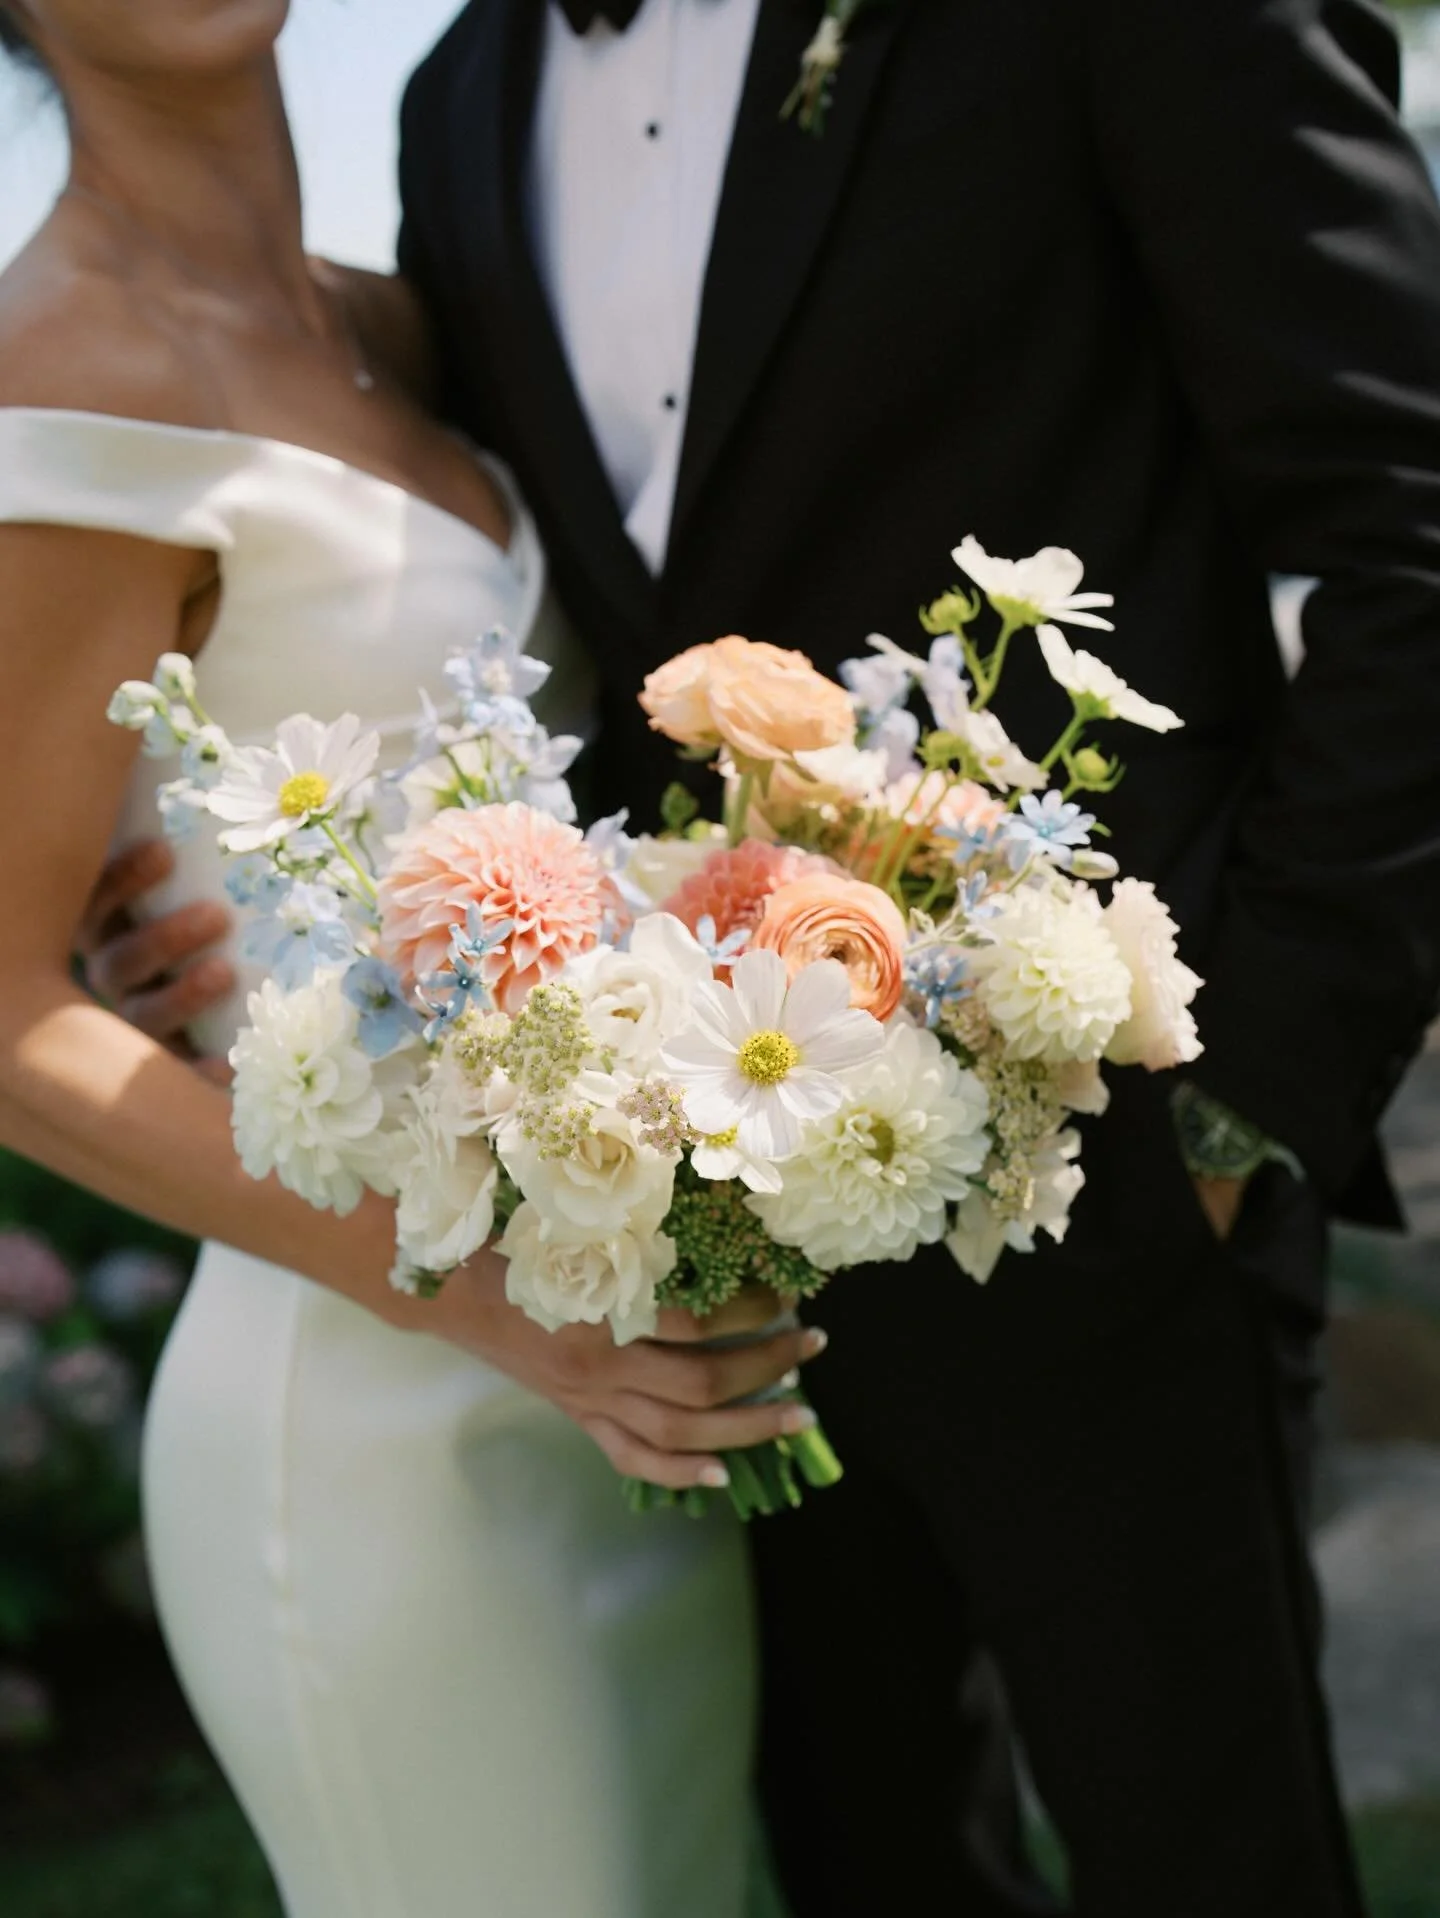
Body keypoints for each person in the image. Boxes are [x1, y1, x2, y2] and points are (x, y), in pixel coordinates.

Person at [91, 1, 1440, 1912]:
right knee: (859, 1862)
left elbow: (1409, 530)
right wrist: (150, 870)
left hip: (1112, 1189)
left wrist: (1245, 1106)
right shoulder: (458, 96)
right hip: (695, 1252)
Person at [0, 4, 825, 1913]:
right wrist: (494, 1312)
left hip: (609, 1363)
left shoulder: (400, 322)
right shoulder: (55, 377)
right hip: (373, 1393)